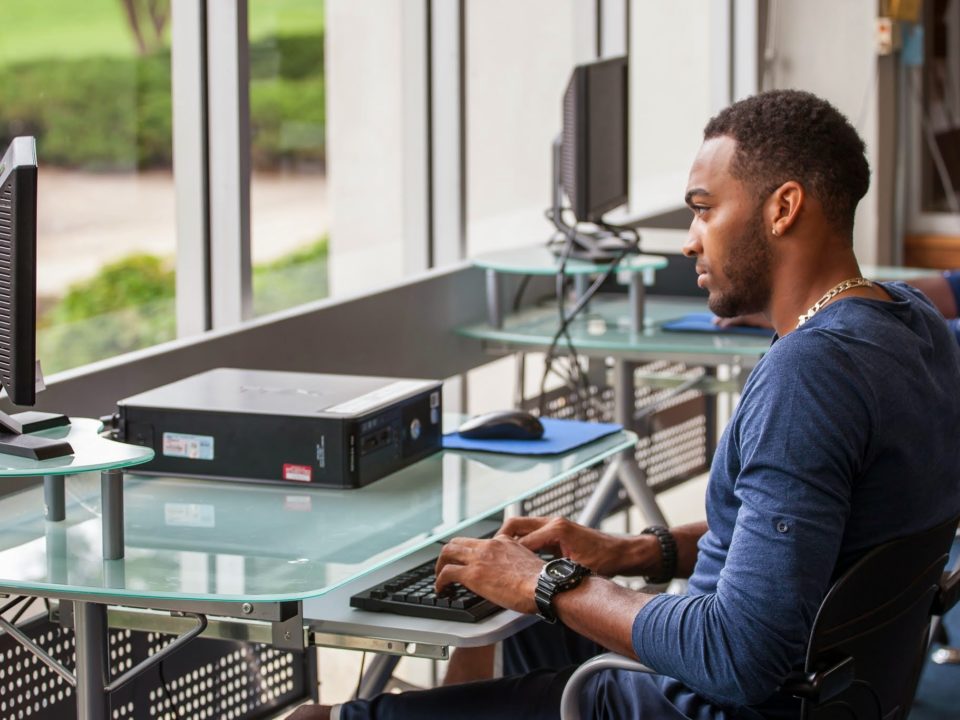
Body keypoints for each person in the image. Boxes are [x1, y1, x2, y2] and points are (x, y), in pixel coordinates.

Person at [290, 90, 960, 720]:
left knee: (321, 715)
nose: (691, 239)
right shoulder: (913, 324)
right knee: (513, 634)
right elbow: (801, 536)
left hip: (703, 702)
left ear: (783, 208)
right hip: (832, 688)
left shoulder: (809, 376)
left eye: (704, 208)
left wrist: (547, 584)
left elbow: (740, 656)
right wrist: (630, 552)